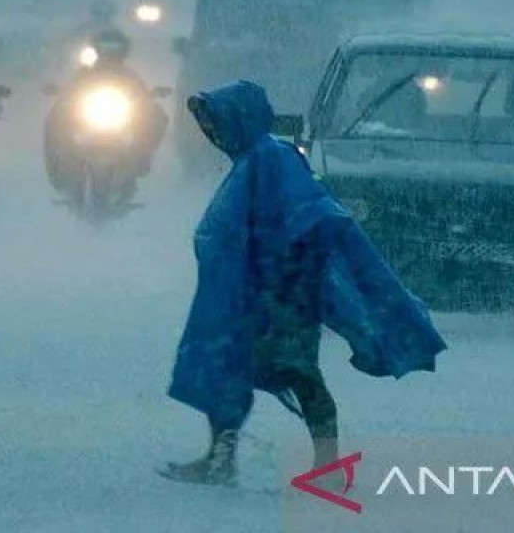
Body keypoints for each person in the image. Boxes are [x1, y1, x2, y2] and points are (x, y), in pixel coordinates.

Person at [161, 80, 447, 487]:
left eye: (216, 121)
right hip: (242, 292)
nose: (211, 132)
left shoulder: (272, 158)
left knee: (299, 373)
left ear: (242, 117)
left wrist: (282, 270)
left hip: (281, 292)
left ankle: (327, 468)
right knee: (227, 367)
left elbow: (311, 214)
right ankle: (220, 459)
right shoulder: (249, 161)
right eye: (207, 125)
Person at [43, 29, 168, 192]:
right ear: (97, 49)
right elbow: (69, 92)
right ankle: (59, 166)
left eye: (115, 48)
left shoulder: (129, 76)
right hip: (85, 118)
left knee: (157, 115)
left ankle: (141, 157)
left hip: (121, 119)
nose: (110, 53)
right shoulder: (85, 74)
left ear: (123, 51)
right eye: (106, 47)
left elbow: (142, 97)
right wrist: (62, 95)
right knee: (54, 119)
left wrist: (149, 99)